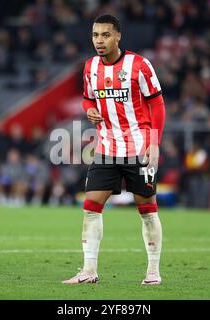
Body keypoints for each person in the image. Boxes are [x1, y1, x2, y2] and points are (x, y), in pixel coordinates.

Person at [62, 14, 165, 285]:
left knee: (147, 209)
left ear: (118, 36)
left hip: (139, 148)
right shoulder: (90, 68)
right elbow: (87, 100)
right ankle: (88, 270)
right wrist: (91, 110)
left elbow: (157, 104)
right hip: (106, 147)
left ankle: (153, 272)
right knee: (91, 207)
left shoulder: (139, 65)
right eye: (95, 35)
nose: (99, 40)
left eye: (105, 35)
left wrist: (154, 142)